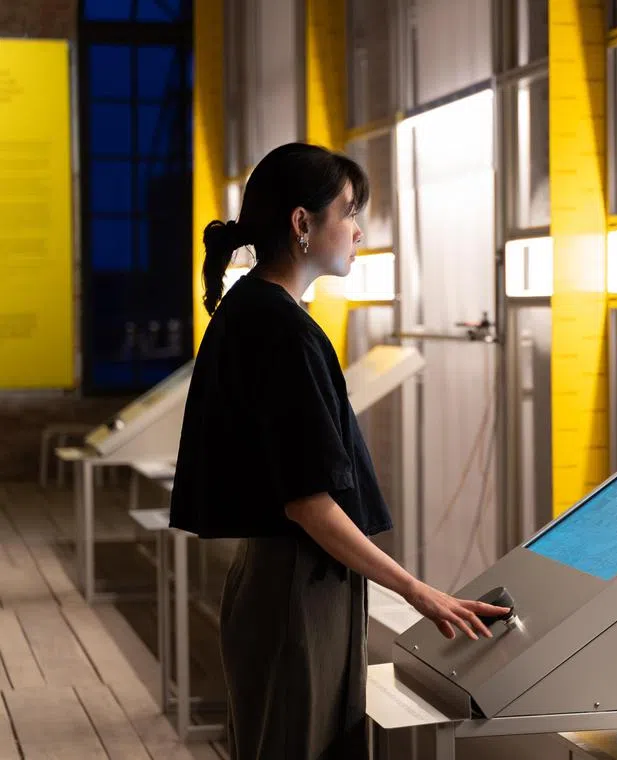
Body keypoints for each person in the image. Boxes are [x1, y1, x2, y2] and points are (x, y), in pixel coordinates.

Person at [169, 142, 509, 760]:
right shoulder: (282, 331)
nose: (357, 230)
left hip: (280, 578)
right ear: (303, 224)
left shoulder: (253, 311)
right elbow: (307, 503)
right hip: (297, 586)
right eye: (348, 212)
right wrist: (419, 592)